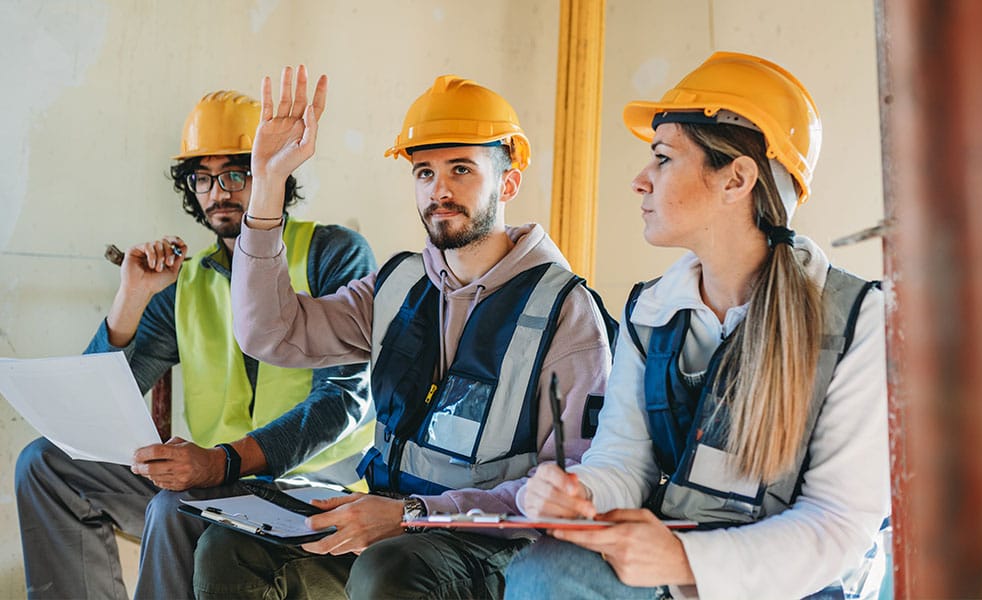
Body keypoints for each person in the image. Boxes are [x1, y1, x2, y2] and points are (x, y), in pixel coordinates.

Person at [190, 66, 615, 600]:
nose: (440, 189)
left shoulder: (564, 311)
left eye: (461, 169)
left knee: (388, 569)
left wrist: (415, 514)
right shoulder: (398, 286)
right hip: (387, 519)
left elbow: (572, 485)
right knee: (230, 547)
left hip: (494, 546)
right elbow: (270, 333)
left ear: (508, 182)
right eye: (424, 172)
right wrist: (269, 183)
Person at [504, 51, 890, 600]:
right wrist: (576, 492)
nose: (640, 181)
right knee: (545, 571)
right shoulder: (651, 310)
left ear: (736, 179)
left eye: (663, 158)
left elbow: (838, 524)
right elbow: (623, 463)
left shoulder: (858, 319)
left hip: (803, 589)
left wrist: (683, 560)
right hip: (677, 570)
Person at [14, 90, 378, 600]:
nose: (217, 193)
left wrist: (223, 462)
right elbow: (88, 412)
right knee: (45, 464)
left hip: (314, 490)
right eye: (202, 178)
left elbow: (342, 400)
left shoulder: (331, 253)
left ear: (270, 172)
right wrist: (131, 298)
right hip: (216, 481)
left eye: (234, 174)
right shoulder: (186, 284)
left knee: (176, 507)